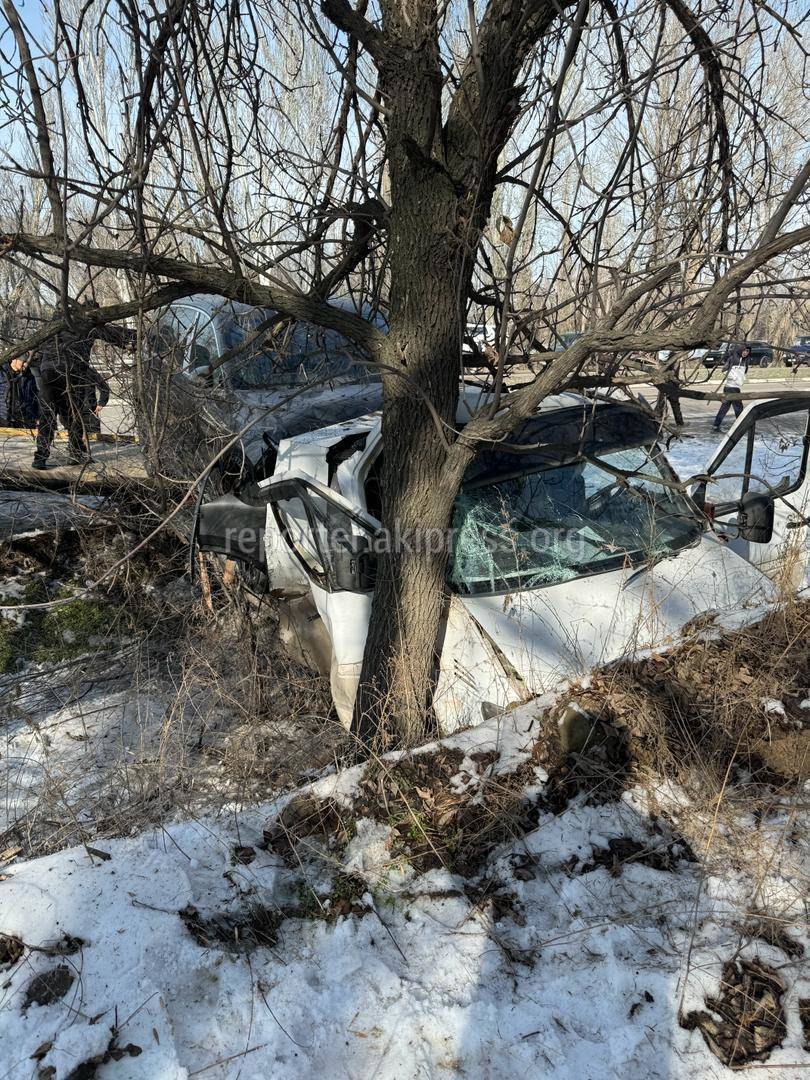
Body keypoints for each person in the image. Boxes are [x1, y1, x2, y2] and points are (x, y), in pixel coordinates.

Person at [28, 307, 124, 469]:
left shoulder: (49, 327)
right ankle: (75, 453)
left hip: (48, 372)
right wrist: (136, 337)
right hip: (73, 371)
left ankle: (40, 457)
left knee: (47, 416)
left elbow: (31, 345)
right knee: (74, 414)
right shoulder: (87, 325)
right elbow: (115, 335)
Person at [712, 344, 750, 431]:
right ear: (740, 350)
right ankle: (742, 425)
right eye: (744, 351)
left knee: (725, 407)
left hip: (736, 387)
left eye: (747, 351)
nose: (745, 353)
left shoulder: (745, 361)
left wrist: (742, 378)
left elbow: (744, 372)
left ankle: (716, 424)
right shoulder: (732, 359)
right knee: (738, 407)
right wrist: (732, 377)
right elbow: (723, 370)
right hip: (730, 386)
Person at [4, 354, 40, 428]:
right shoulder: (3, 373)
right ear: (14, 360)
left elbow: (35, 397)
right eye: (23, 361)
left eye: (26, 362)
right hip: (5, 419)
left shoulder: (30, 375)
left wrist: (37, 416)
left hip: (27, 419)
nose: (25, 364)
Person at [654, 351, 684, 426]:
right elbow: (672, 374)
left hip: (665, 385)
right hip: (671, 385)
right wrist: (678, 381)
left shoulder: (668, 363)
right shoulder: (675, 362)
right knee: (675, 405)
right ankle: (679, 423)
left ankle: (658, 420)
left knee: (661, 404)